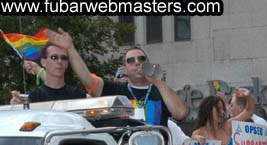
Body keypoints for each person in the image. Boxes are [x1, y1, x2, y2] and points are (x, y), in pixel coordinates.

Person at [45, 28, 188, 126]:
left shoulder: (160, 91)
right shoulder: (116, 90)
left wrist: (157, 82)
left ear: (148, 63)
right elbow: (87, 79)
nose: (137, 62)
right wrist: (70, 49)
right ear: (125, 69)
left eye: (141, 59)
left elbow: (181, 113)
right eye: (131, 61)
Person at [10, 42, 86, 104]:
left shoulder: (78, 95)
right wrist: (16, 108)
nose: (60, 61)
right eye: (54, 57)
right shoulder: (31, 98)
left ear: (67, 63)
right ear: (43, 62)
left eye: (63, 58)